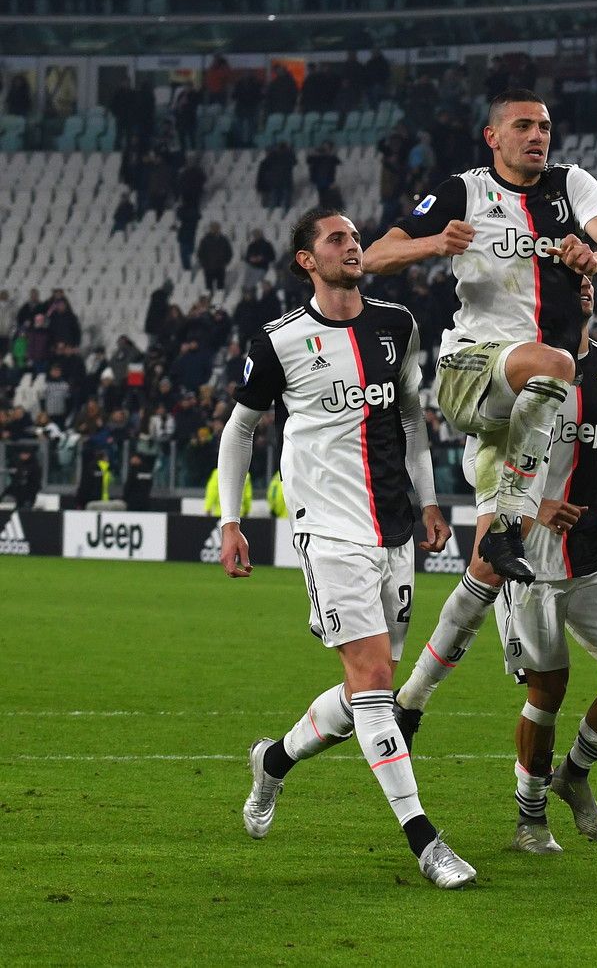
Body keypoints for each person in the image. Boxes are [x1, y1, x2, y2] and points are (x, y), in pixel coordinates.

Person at [217, 208, 473, 889]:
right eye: (336, 239)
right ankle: (425, 840)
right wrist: (231, 518)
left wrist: (427, 501)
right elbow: (239, 431)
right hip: (328, 530)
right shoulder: (278, 341)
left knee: (372, 690)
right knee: (370, 680)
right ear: (306, 259)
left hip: (394, 530)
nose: (353, 245)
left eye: (356, 237)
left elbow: (412, 419)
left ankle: (273, 761)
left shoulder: (396, 325)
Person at [367, 89, 597, 600]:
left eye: (544, 126)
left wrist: (594, 260)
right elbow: (377, 256)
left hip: (531, 397)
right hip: (469, 369)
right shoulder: (462, 192)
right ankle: (510, 525)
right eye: (523, 126)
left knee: (485, 578)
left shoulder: (571, 184)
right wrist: (434, 243)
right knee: (557, 363)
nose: (537, 136)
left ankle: (419, 682)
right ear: (492, 137)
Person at [494, 273, 597, 853]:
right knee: (547, 693)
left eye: (589, 278)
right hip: (529, 557)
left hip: (589, 549)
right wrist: (536, 505)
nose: (584, 286)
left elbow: (595, 450)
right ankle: (530, 818)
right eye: (570, 281)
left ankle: (575, 774)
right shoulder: (517, 365)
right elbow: (487, 457)